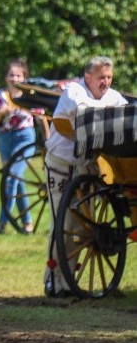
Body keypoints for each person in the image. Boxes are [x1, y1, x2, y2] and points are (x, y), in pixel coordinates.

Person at [42, 55, 128, 297]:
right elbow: (85, 113)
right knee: (62, 223)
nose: (106, 82)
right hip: (62, 165)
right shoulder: (74, 91)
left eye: (109, 77)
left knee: (82, 229)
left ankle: (69, 282)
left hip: (86, 168)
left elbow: (125, 110)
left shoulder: (112, 96)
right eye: (102, 77)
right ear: (87, 77)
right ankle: (53, 281)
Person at [0, 59, 40, 234]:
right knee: (17, 181)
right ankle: (27, 223)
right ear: (6, 77)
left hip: (25, 138)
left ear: (25, 77)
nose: (15, 78)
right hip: (5, 140)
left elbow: (41, 118)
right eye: (11, 74)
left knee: (11, 178)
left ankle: (3, 222)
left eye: (18, 75)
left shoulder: (30, 96)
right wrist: (1, 112)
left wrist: (48, 141)